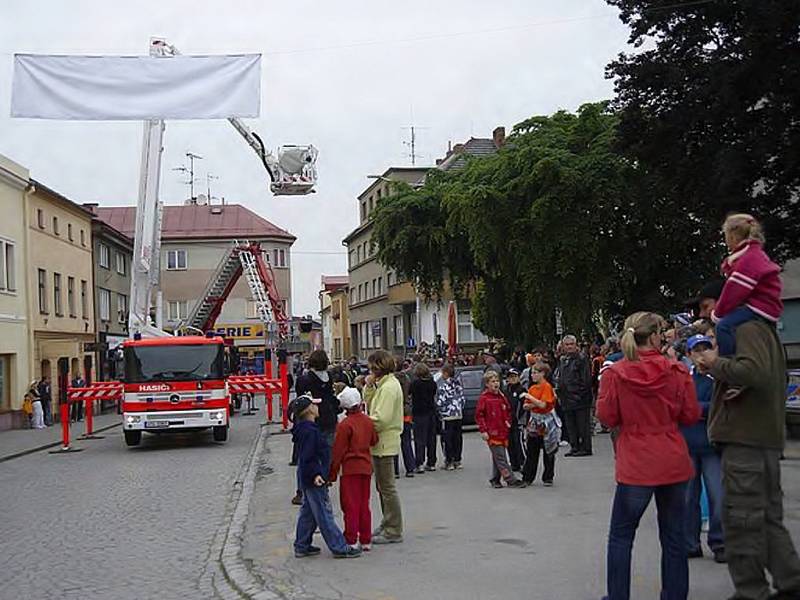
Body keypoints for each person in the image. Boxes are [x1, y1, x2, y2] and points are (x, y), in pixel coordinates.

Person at [696, 305, 800, 599]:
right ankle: (790, 580)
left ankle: (751, 590)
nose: (708, 313)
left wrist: (714, 364)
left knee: (742, 520)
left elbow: (751, 372)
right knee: (765, 517)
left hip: (746, 439)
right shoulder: (759, 328)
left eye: (708, 305)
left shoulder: (746, 329)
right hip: (757, 438)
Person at [597, 312, 700, 600]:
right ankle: (675, 595)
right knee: (673, 537)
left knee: (621, 536)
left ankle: (618, 596)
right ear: (655, 336)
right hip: (671, 457)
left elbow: (606, 416)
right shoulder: (677, 371)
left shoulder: (616, 373)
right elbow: (691, 415)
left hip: (636, 461)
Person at [711, 214, 783, 400]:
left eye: (725, 235)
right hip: (763, 305)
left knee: (724, 326)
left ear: (733, 236)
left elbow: (734, 291)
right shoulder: (753, 255)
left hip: (760, 307)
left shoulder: (748, 260)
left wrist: (718, 313)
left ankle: (732, 372)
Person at [291, 394, 361, 559]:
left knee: (308, 511)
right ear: (308, 410)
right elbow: (309, 456)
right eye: (314, 405)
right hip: (314, 476)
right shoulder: (310, 432)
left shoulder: (305, 429)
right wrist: (316, 474)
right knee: (323, 512)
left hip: (308, 476)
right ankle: (339, 547)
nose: (317, 407)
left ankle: (302, 544)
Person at [681, 334, 725, 563]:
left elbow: (722, 406)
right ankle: (690, 543)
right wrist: (698, 410)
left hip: (712, 447)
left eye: (704, 349)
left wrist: (694, 410)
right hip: (687, 445)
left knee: (718, 496)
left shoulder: (719, 377)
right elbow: (677, 405)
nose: (700, 354)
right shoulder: (684, 378)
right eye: (695, 350)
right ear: (688, 354)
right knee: (689, 498)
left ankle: (720, 542)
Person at [329, 387, 378, 551]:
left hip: (350, 468)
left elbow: (338, 451)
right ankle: (366, 539)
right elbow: (374, 440)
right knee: (364, 503)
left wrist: (332, 473)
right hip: (366, 466)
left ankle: (351, 538)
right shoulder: (368, 421)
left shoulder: (345, 425)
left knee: (350, 505)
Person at [363, 350, 404, 544]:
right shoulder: (383, 385)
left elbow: (382, 418)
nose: (370, 370)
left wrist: (362, 424)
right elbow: (370, 403)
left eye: (372, 367)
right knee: (382, 487)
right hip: (380, 442)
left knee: (387, 487)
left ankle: (393, 529)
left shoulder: (389, 388)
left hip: (385, 441)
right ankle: (388, 522)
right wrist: (369, 386)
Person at [475, 371, 524, 489]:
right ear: (487, 384)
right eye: (492, 381)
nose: (496, 383)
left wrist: (508, 422)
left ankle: (495, 478)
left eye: (497, 381)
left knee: (498, 456)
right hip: (492, 432)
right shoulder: (484, 398)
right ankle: (510, 479)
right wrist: (483, 430)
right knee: (501, 457)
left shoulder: (501, 396)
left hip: (503, 430)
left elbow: (507, 409)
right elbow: (479, 415)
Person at [554, 335, 594, 456]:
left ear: (576, 345)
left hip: (579, 398)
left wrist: (579, 394)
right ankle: (574, 446)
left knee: (582, 424)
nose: (569, 346)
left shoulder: (581, 358)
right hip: (566, 397)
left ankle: (585, 447)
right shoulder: (563, 359)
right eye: (567, 344)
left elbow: (586, 379)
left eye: (572, 344)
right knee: (570, 424)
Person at [521, 362, 559, 487]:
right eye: (532, 373)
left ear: (543, 374)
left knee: (549, 449)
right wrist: (534, 403)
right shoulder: (532, 388)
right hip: (534, 420)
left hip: (547, 421)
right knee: (532, 449)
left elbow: (544, 405)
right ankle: (528, 476)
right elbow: (526, 406)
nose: (533, 375)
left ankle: (548, 476)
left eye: (535, 373)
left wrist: (530, 399)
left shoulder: (546, 387)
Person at [409, 362, 438, 473]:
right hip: (431, 412)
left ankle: (419, 463)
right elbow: (434, 394)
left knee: (419, 439)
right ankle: (431, 463)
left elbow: (410, 394)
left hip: (419, 413)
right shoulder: (432, 383)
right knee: (431, 438)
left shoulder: (415, 384)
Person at [436, 363, 465, 470]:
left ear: (446, 373)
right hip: (458, 414)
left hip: (447, 415)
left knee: (447, 439)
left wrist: (439, 411)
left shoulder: (443, 387)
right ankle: (458, 460)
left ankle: (449, 461)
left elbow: (441, 401)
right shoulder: (458, 385)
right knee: (457, 438)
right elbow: (462, 399)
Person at [393, 359, 416, 478]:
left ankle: (395, 470)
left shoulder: (391, 380)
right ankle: (410, 468)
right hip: (406, 411)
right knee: (406, 441)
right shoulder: (406, 378)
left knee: (394, 443)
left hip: (394, 413)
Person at [503, 369, 526, 472]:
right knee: (510, 443)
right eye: (510, 377)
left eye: (514, 376)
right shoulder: (506, 391)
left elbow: (524, 407)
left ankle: (523, 462)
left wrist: (522, 420)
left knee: (519, 442)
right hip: (508, 422)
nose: (512, 379)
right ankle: (514, 463)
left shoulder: (522, 390)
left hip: (518, 422)